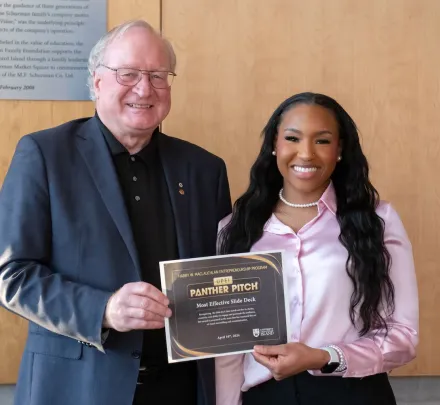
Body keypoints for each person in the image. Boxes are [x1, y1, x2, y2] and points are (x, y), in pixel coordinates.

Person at [0, 20, 231, 405]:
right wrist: (103, 309)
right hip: (76, 387)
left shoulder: (204, 170)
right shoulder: (44, 155)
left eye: (158, 75)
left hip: (181, 388)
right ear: (97, 81)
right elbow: (11, 275)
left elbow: (222, 275)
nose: (144, 88)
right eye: (128, 74)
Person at [215, 92, 418, 405]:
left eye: (322, 141)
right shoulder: (234, 229)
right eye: (292, 138)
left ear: (339, 150)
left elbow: (403, 337)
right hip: (265, 397)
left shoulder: (379, 220)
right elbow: (227, 350)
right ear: (274, 145)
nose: (306, 153)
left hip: (353, 393)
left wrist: (323, 357)